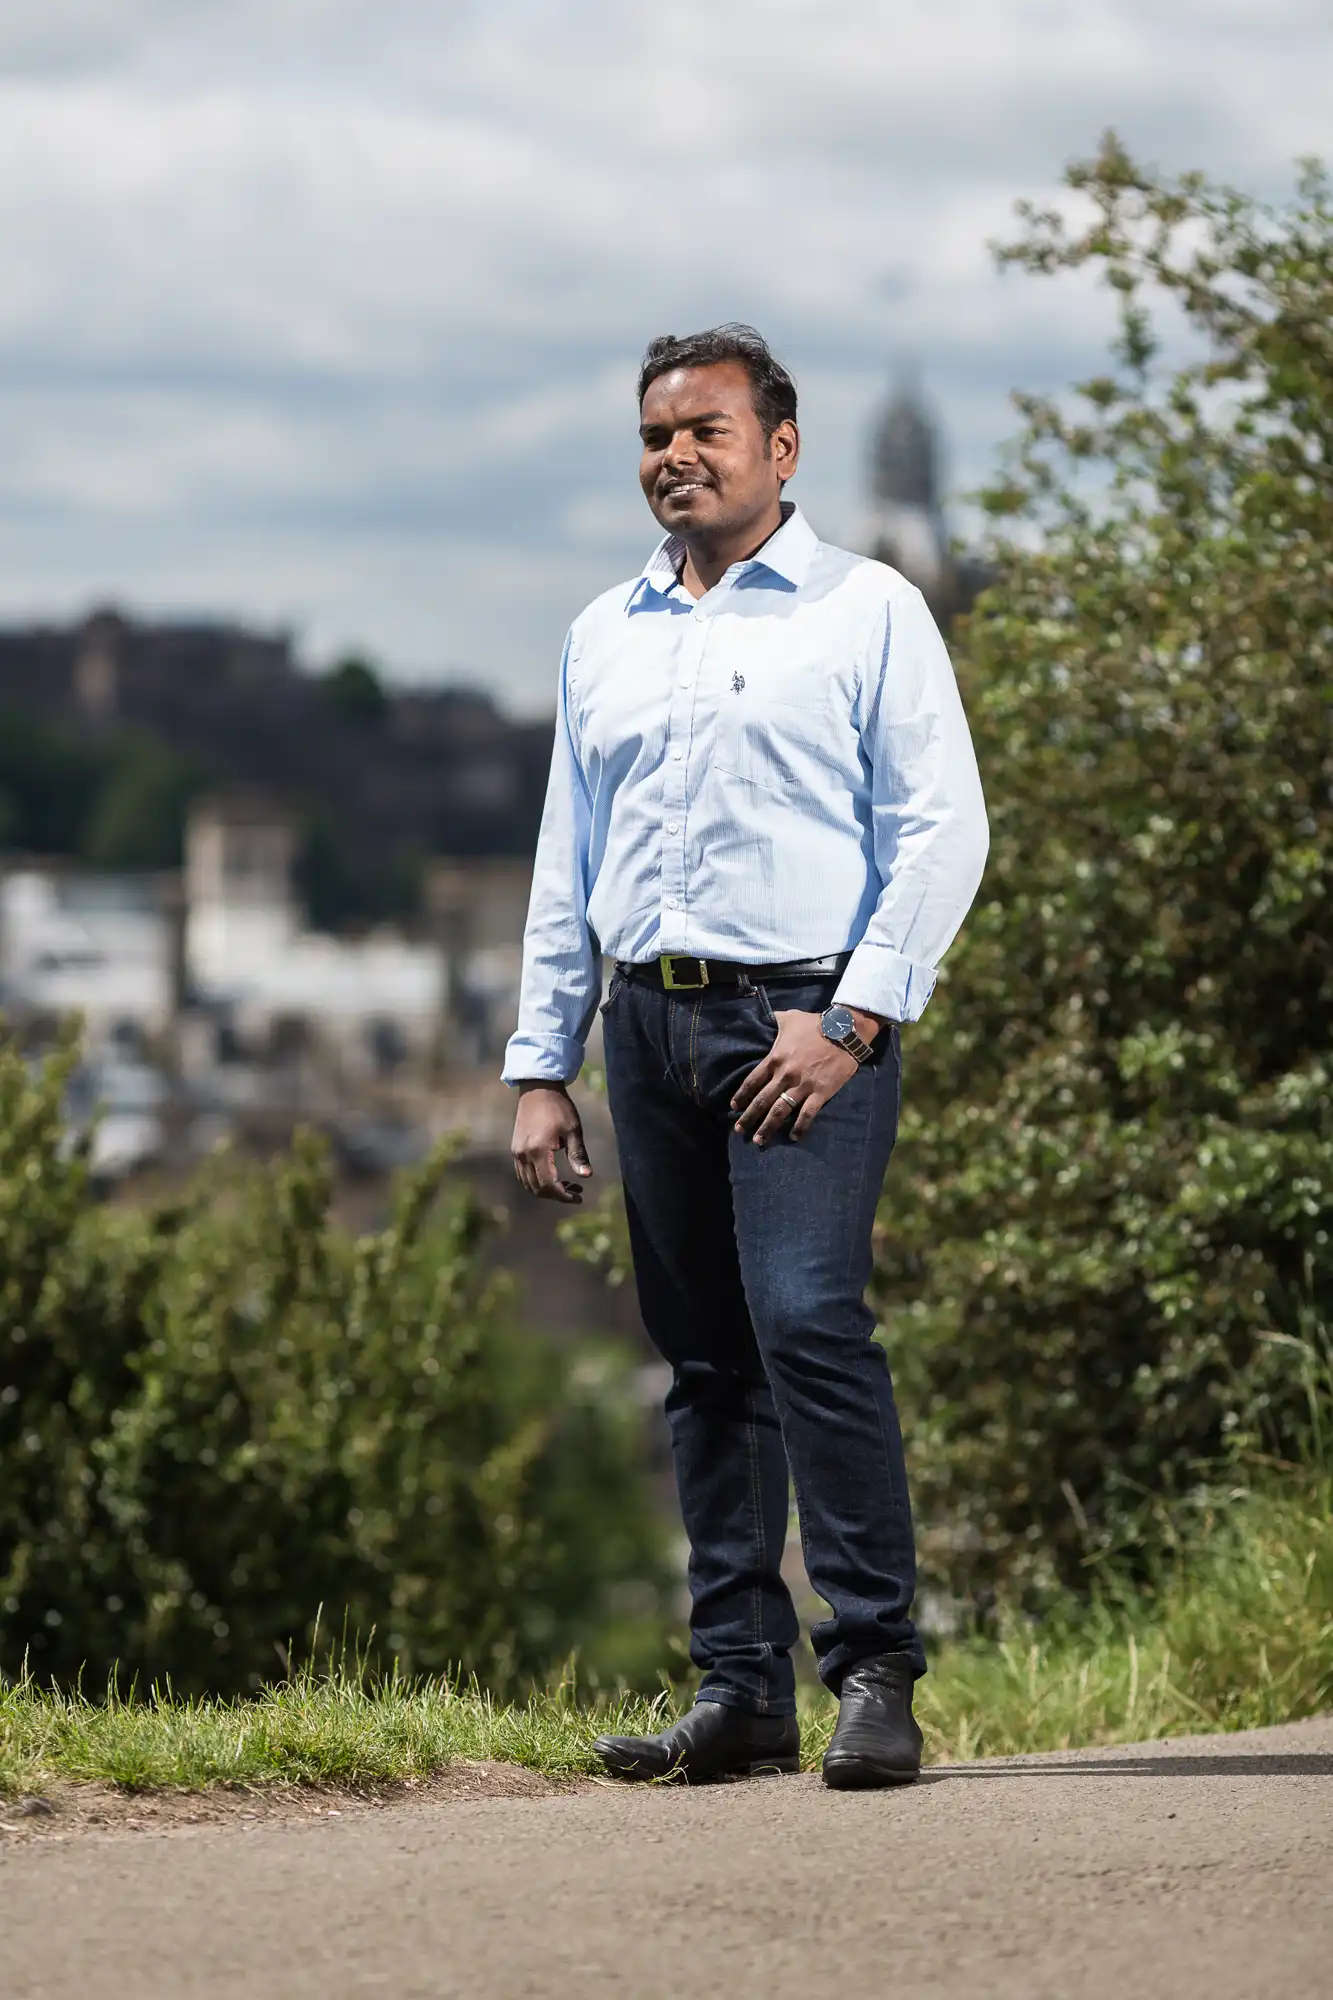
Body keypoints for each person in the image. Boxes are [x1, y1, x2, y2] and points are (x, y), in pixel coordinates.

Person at [504, 324, 987, 1788]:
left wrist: (854, 1018)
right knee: (705, 1359)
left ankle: (877, 1672)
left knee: (808, 1324)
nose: (675, 457)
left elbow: (941, 830)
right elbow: (564, 859)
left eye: (705, 430)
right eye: (656, 435)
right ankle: (739, 1688)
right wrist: (543, 1061)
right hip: (647, 1023)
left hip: (801, 1024)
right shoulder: (606, 632)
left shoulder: (869, 610)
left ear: (782, 449)